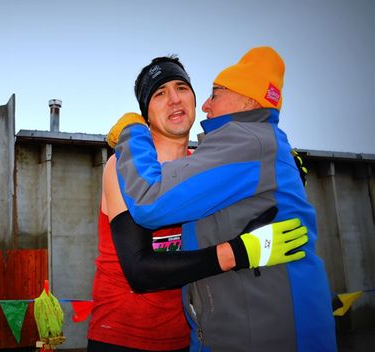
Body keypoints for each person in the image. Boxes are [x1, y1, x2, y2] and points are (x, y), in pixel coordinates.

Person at [107, 47, 336, 351]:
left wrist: (131, 133)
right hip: (127, 337)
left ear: (248, 100)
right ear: (146, 110)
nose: (204, 105)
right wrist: (237, 252)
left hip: (256, 332)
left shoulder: (242, 143)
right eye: (159, 94)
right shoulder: (122, 166)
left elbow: (151, 199)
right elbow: (139, 270)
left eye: (186, 89)